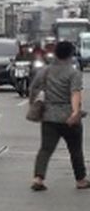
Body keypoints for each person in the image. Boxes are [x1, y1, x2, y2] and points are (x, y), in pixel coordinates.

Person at [31, 40, 89, 191]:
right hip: (69, 117)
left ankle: (38, 178)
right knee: (75, 149)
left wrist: (34, 104)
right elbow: (75, 92)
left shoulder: (45, 70)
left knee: (45, 149)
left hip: (49, 116)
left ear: (56, 53)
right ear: (71, 54)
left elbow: (34, 88)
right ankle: (81, 180)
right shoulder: (73, 72)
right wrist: (76, 112)